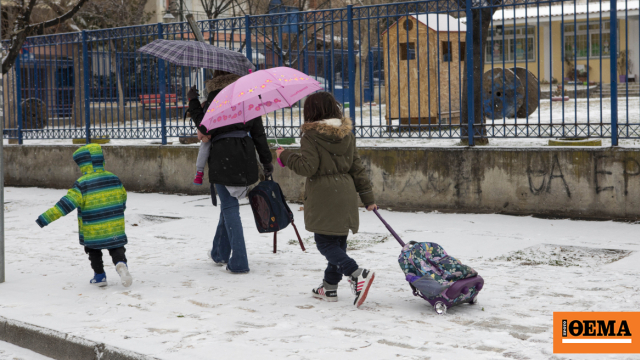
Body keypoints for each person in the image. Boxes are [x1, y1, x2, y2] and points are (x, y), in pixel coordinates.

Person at [276, 92, 376, 308]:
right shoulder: (346, 134)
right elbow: (356, 167)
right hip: (346, 193)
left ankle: (356, 273)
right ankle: (329, 286)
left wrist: (284, 155)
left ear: (311, 112)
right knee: (338, 242)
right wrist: (367, 197)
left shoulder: (310, 136)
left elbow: (307, 167)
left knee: (324, 243)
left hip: (324, 195)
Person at [187, 73, 273, 274]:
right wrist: (266, 160)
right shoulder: (247, 99)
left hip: (223, 156)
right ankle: (220, 253)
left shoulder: (215, 101)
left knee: (229, 206)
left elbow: (204, 128)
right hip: (246, 156)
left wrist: (192, 101)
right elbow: (259, 133)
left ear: (214, 81)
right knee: (228, 204)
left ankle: (240, 260)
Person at [35, 144, 132, 288]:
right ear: (100, 160)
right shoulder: (114, 178)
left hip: (92, 227)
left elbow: (65, 205)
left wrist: (45, 218)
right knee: (116, 246)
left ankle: (99, 276)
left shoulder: (82, 184)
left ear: (82, 164)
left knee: (93, 250)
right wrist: (118, 210)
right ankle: (121, 264)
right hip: (114, 224)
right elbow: (123, 197)